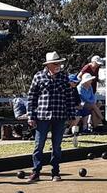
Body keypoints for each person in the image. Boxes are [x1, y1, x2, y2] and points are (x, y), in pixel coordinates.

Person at [27, 51, 80, 182]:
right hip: (42, 116)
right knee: (39, 145)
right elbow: (31, 97)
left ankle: (55, 172)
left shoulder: (64, 77)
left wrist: (72, 115)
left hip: (60, 116)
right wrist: (31, 116)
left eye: (60, 63)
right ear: (49, 64)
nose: (59, 65)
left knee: (57, 146)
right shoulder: (38, 76)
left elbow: (69, 97)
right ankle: (36, 171)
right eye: (56, 63)